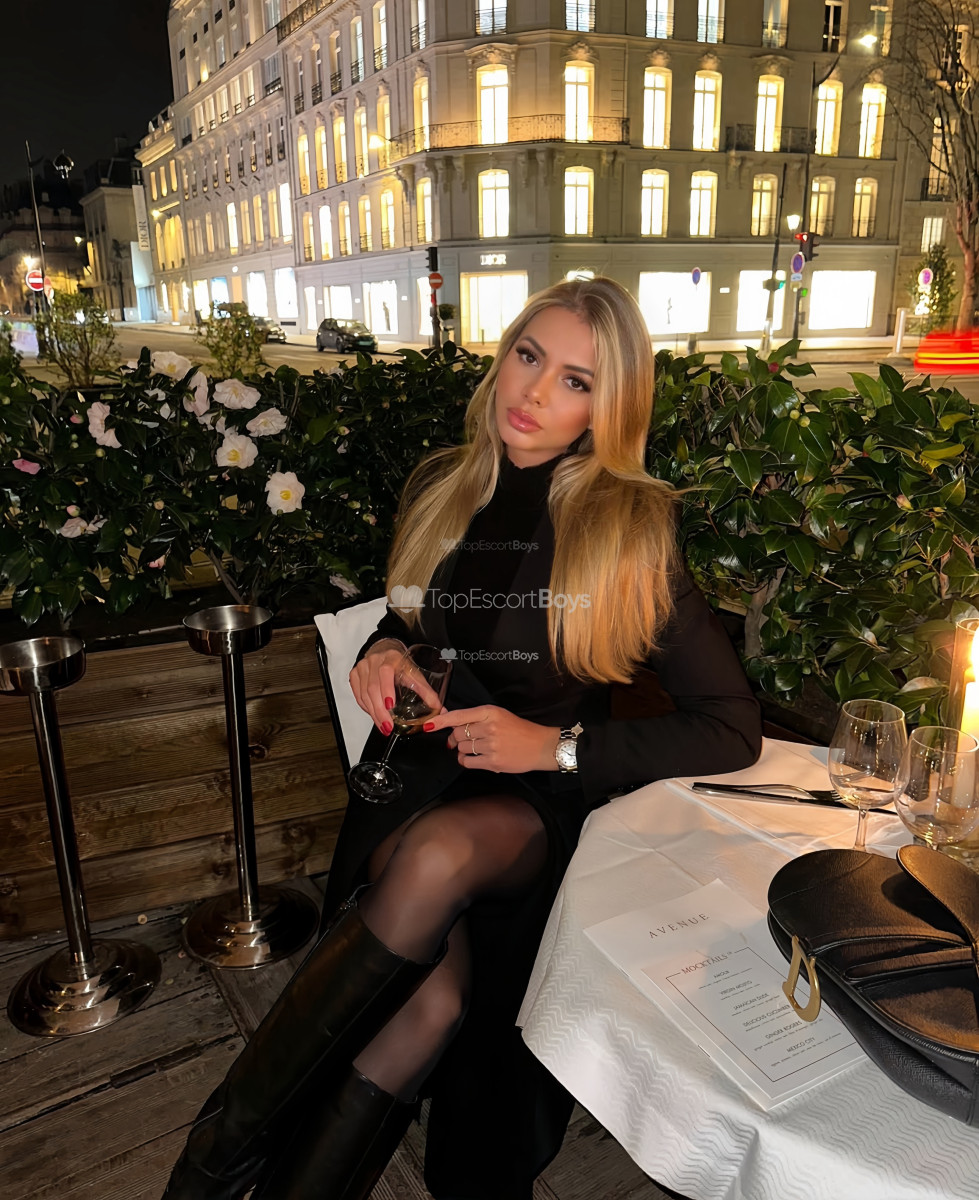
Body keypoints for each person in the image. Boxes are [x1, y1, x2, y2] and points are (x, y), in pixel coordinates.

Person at [163, 277, 762, 1200]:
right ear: (503, 356)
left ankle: (207, 1171)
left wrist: (554, 748)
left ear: (609, 408)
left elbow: (729, 727)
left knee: (438, 864)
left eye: (575, 381)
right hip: (415, 783)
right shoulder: (447, 485)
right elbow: (406, 615)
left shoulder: (628, 529)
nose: (535, 392)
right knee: (427, 1007)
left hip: (533, 806)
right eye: (529, 356)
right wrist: (384, 650)